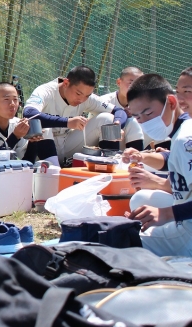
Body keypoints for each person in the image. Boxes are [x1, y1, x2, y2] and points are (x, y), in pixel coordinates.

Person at [122, 73, 192, 257]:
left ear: (171, 102)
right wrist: (142, 157)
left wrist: (167, 214)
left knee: (120, 242)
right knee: (140, 204)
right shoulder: (182, 132)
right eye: (137, 117)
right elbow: (174, 159)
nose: (144, 122)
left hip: (188, 232)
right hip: (184, 220)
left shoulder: (185, 138)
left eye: (148, 113)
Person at [22, 65, 127, 167]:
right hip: (41, 150)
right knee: (42, 126)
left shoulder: (86, 98)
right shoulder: (46, 91)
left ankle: (110, 166)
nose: (81, 99)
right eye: (78, 94)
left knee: (106, 119)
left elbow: (118, 111)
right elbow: (29, 113)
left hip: (68, 144)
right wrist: (67, 122)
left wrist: (117, 124)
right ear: (66, 83)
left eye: (87, 96)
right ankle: (54, 171)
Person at [91, 67, 145, 151]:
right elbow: (94, 130)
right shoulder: (104, 101)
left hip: (129, 144)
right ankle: (109, 156)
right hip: (101, 145)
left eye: (140, 84)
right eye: (131, 83)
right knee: (109, 118)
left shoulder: (145, 105)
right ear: (119, 82)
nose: (136, 88)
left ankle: (138, 157)